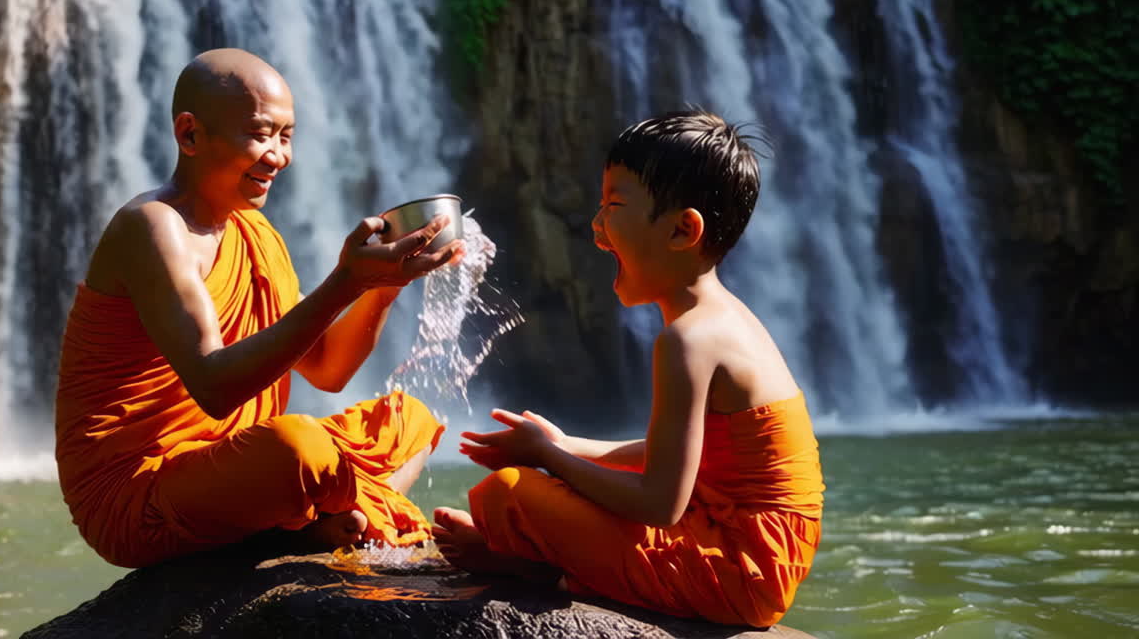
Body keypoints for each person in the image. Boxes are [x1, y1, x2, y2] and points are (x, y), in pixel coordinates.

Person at [55, 48, 462, 568]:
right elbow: (215, 387)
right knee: (298, 448)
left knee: (409, 420)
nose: (278, 156)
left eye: (286, 136)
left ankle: (312, 517)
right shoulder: (152, 227)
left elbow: (329, 370)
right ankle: (324, 515)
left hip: (232, 472)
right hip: (139, 495)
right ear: (190, 135)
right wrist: (343, 282)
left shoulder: (255, 232)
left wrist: (381, 285)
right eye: (260, 134)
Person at [433, 110, 824, 628]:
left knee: (509, 493)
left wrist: (549, 457)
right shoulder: (727, 320)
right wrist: (568, 445)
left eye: (613, 207)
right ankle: (537, 560)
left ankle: (534, 571)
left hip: (740, 571)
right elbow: (688, 458)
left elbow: (661, 502)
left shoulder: (688, 340)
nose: (596, 229)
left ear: (683, 229)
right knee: (528, 491)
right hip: (760, 555)